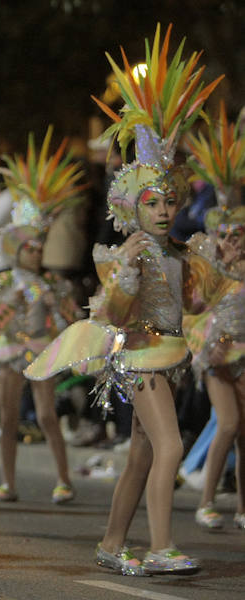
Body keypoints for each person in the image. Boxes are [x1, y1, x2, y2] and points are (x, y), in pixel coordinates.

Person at [27, 24, 223, 575]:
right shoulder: (121, 253)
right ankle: (161, 546)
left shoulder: (184, 252)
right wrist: (129, 269)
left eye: (169, 202)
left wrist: (216, 260)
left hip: (170, 358)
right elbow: (110, 314)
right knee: (170, 446)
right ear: (130, 209)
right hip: (136, 357)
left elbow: (202, 303)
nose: (163, 211)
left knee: (143, 452)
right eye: (152, 202)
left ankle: (113, 541)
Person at [0, 126, 86, 505]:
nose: (36, 254)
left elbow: (71, 320)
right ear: (16, 249)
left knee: (46, 416)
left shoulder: (53, 285)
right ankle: (8, 482)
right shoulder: (4, 282)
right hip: (10, 353)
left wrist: (61, 309)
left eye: (39, 248)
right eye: (29, 248)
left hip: (41, 351)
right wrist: (11, 308)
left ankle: (64, 480)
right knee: (8, 420)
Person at [183, 105, 245, 530]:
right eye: (224, 234)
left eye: (237, 235)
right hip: (217, 353)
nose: (230, 241)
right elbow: (193, 309)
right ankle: (206, 500)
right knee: (229, 422)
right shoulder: (210, 269)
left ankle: (242, 506)